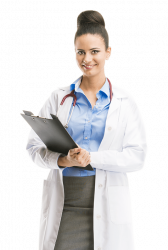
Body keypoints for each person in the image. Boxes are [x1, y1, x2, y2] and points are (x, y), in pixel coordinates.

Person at [25, 9, 148, 250]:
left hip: (108, 203)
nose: (86, 59)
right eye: (80, 52)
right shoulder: (58, 97)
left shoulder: (125, 101)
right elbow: (32, 148)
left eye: (94, 52)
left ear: (108, 53)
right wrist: (62, 160)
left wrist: (92, 158)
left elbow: (138, 158)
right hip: (66, 203)